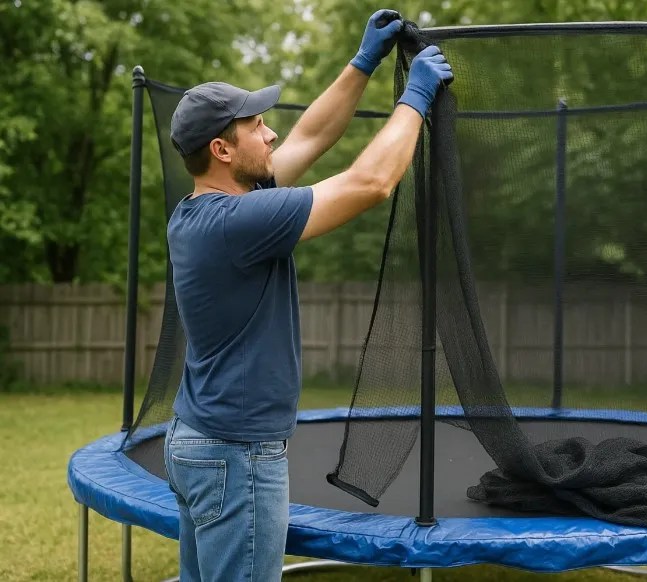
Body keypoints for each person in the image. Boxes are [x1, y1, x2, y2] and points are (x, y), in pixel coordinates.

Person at [161, 9, 452, 581]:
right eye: (256, 126)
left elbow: (312, 137)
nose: (270, 132)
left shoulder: (204, 212)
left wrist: (362, 63)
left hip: (200, 441)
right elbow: (370, 183)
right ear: (223, 150)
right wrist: (414, 98)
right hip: (237, 455)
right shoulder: (237, 224)